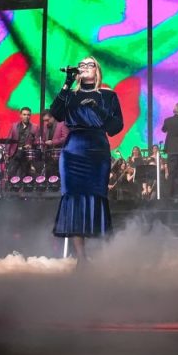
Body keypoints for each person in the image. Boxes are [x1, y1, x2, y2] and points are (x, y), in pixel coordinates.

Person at [50, 56, 124, 266]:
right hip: (73, 150)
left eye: (89, 64)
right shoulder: (70, 95)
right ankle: (81, 259)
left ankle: (101, 256)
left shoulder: (108, 95)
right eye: (81, 65)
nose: (84, 67)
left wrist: (96, 108)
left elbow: (115, 127)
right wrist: (67, 82)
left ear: (97, 70)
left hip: (97, 149)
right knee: (73, 199)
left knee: (96, 197)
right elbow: (56, 113)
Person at [6, 107, 35, 177]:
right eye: (24, 114)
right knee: (11, 173)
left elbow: (37, 141)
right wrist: (7, 152)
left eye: (28, 115)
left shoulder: (35, 127)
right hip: (14, 153)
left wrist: (30, 145)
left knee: (24, 175)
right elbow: (9, 139)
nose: (26, 116)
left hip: (26, 154)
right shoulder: (14, 126)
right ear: (20, 115)